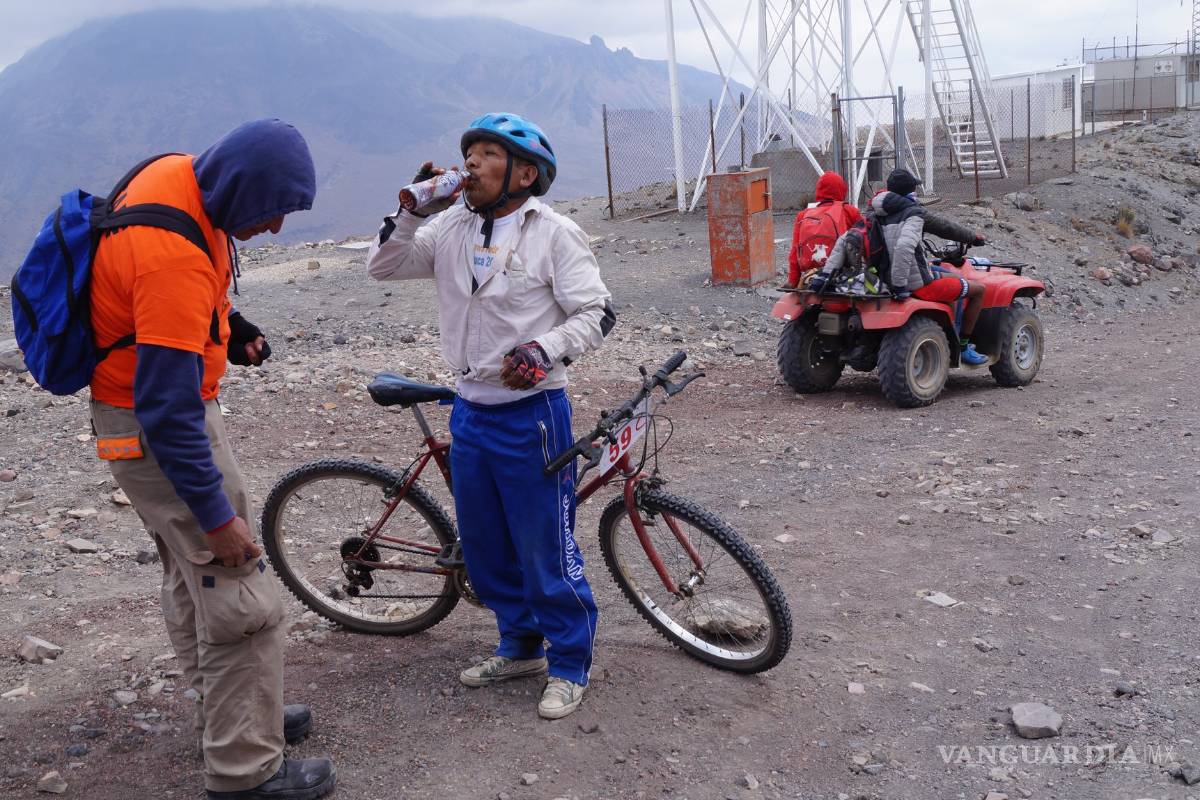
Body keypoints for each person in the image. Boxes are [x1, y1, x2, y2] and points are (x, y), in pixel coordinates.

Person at [88, 119, 336, 800]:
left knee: (189, 571)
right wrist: (218, 516)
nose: (277, 227)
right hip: (159, 429)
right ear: (239, 189)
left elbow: (164, 319)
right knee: (234, 584)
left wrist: (233, 332)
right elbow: (167, 409)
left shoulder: (181, 176)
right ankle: (244, 771)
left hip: (133, 421)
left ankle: (231, 714)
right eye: (273, 211)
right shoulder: (172, 257)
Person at [366, 113, 616, 720]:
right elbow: (384, 266)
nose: (471, 164)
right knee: (484, 545)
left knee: (544, 545)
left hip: (534, 414)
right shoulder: (452, 223)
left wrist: (543, 349)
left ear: (525, 174)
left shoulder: (553, 233)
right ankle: (520, 645)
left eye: (487, 154)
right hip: (470, 409)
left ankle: (569, 662)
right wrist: (412, 211)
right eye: (468, 153)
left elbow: (598, 313)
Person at [819, 168, 989, 366]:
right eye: (914, 189)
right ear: (909, 191)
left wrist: (823, 276)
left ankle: (948, 330)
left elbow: (845, 240)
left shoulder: (872, 213)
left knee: (945, 273)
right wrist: (973, 238)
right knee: (979, 290)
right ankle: (963, 346)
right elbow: (929, 235)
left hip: (880, 278)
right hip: (915, 284)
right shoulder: (913, 212)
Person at [783, 171, 862, 291]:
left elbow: (795, 251)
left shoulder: (803, 215)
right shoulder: (849, 211)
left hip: (810, 278)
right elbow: (864, 242)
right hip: (840, 276)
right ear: (842, 190)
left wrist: (793, 280)